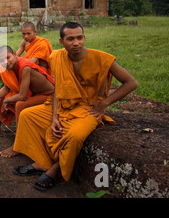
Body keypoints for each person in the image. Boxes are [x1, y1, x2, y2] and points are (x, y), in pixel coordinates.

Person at [13, 22, 137, 191]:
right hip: (63, 105)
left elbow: (131, 83)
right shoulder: (57, 57)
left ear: (84, 38)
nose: (76, 43)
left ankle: (57, 168)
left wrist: (104, 103)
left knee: (75, 135)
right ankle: (43, 162)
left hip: (88, 108)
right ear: (61, 41)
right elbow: (58, 89)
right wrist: (54, 117)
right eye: (70, 39)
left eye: (80, 38)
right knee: (27, 116)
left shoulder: (101, 58)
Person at [0, 45, 55, 158]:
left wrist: (8, 100)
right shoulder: (11, 68)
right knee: (7, 96)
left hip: (49, 95)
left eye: (8, 57)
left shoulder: (25, 67)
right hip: (35, 94)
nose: (6, 62)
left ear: (15, 54)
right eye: (2, 60)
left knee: (19, 104)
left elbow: (23, 96)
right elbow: (8, 87)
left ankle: (18, 145)